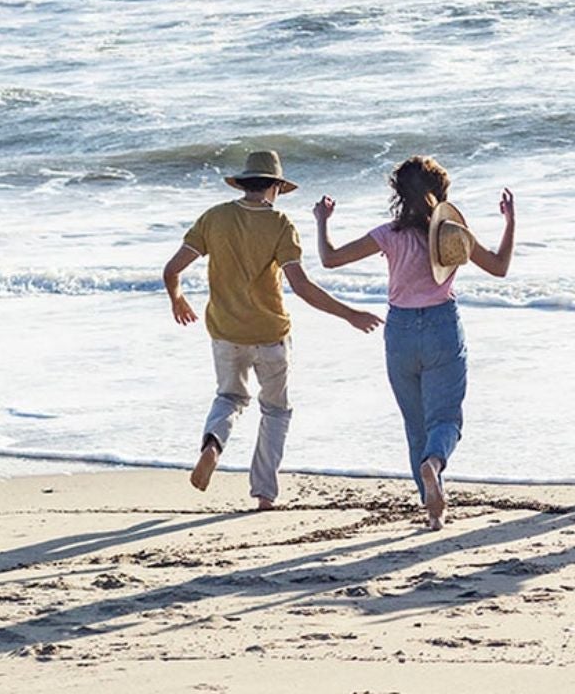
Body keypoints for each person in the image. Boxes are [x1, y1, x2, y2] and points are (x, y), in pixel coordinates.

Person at [161, 150, 383, 511]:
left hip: (226, 332)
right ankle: (264, 494)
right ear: (277, 186)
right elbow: (303, 286)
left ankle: (213, 445)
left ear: (244, 183)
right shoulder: (280, 224)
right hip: (271, 334)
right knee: (276, 411)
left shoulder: (214, 218)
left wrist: (177, 299)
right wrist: (349, 314)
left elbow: (171, 269)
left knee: (229, 398)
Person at [314, 156, 515, 530]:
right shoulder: (453, 234)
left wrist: (323, 221)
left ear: (400, 195)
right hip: (441, 326)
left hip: (400, 331)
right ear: (439, 195)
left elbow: (329, 259)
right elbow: (500, 266)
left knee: (415, 424)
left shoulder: (388, 235)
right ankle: (435, 465)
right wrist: (510, 222)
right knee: (446, 418)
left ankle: (432, 510)